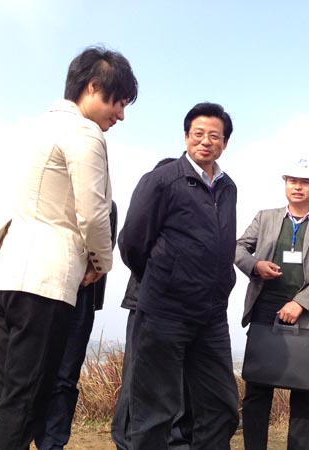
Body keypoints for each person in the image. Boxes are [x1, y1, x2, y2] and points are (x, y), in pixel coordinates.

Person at [0, 46, 137, 450]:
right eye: (119, 102)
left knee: (2, 397)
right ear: (94, 86)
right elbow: (93, 214)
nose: (120, 115)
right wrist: (101, 263)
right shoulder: (84, 133)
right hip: (44, 283)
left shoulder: (36, 127)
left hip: (5, 276)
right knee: (25, 404)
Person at [118, 102, 238, 450]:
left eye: (214, 136)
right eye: (198, 134)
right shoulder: (162, 180)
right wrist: (163, 277)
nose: (206, 141)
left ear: (225, 143)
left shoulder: (228, 187)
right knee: (155, 410)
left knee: (221, 406)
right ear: (186, 137)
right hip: (165, 310)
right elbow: (132, 242)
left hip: (212, 313)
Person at [235, 159, 309, 450]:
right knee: (257, 389)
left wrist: (300, 303)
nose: (297, 187)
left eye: (305, 182)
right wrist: (255, 265)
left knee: (304, 390)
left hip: (307, 315)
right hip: (264, 309)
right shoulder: (265, 217)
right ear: (285, 184)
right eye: (292, 181)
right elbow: (239, 247)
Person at [111, 159, 192, 450]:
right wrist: (155, 279)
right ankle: (126, 440)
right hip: (145, 301)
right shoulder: (149, 204)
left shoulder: (191, 212)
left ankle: (173, 439)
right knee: (137, 375)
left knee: (177, 379)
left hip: (183, 307)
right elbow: (130, 244)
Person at [35, 203, 118, 450]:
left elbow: (106, 245)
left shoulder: (107, 204)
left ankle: (52, 445)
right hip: (42, 288)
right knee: (29, 374)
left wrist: (96, 267)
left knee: (65, 377)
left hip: (83, 294)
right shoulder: (46, 195)